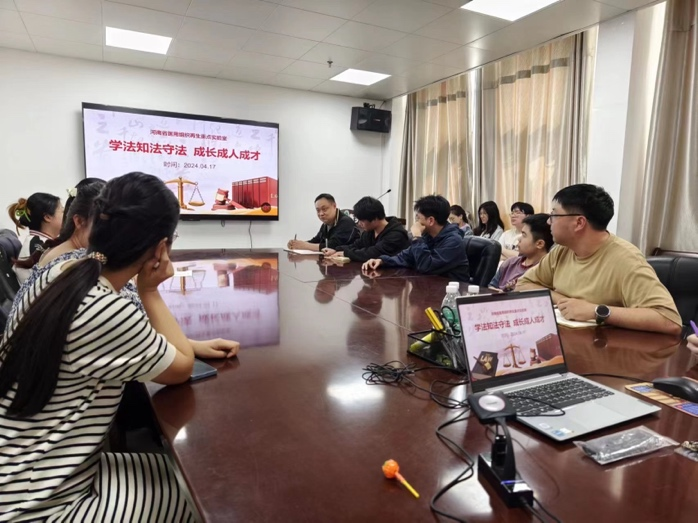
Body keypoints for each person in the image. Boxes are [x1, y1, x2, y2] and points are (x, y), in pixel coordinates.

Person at [0, 172, 236, 521]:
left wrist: (187, 343)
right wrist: (150, 290)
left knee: (186, 477)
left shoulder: (60, 272)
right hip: (37, 505)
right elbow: (181, 367)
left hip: (24, 469)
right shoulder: (108, 310)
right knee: (209, 503)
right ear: (161, 248)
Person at [516, 184, 682, 335]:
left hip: (607, 349)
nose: (548, 221)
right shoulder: (561, 251)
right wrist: (563, 301)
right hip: (567, 343)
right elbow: (524, 284)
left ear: (579, 222)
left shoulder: (626, 260)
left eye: (554, 215)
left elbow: (669, 320)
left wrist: (596, 311)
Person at [362, 195, 469, 281]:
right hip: (429, 287)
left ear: (431, 220)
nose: (416, 222)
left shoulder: (453, 241)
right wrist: (382, 261)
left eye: (418, 218)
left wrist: (417, 237)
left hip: (451, 293)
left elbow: (426, 267)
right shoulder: (428, 235)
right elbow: (406, 257)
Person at [322, 196, 410, 263]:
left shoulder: (396, 234)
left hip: (397, 276)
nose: (359, 224)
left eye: (362, 220)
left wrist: (346, 253)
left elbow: (374, 253)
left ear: (375, 219)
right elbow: (357, 245)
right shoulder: (370, 231)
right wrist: (336, 250)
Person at [7, 192, 63, 283]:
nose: (66, 215)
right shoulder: (39, 247)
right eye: (62, 211)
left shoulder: (37, 241)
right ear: (47, 217)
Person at [489, 213, 552, 292]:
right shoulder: (510, 263)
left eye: (524, 235)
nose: (519, 239)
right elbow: (491, 286)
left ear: (539, 244)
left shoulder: (545, 271)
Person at [287, 193, 357, 251]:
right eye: (318, 210)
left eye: (324, 209)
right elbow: (316, 241)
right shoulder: (326, 224)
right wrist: (297, 244)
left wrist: (305, 245)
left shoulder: (346, 222)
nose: (321, 214)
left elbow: (332, 246)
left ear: (334, 206)